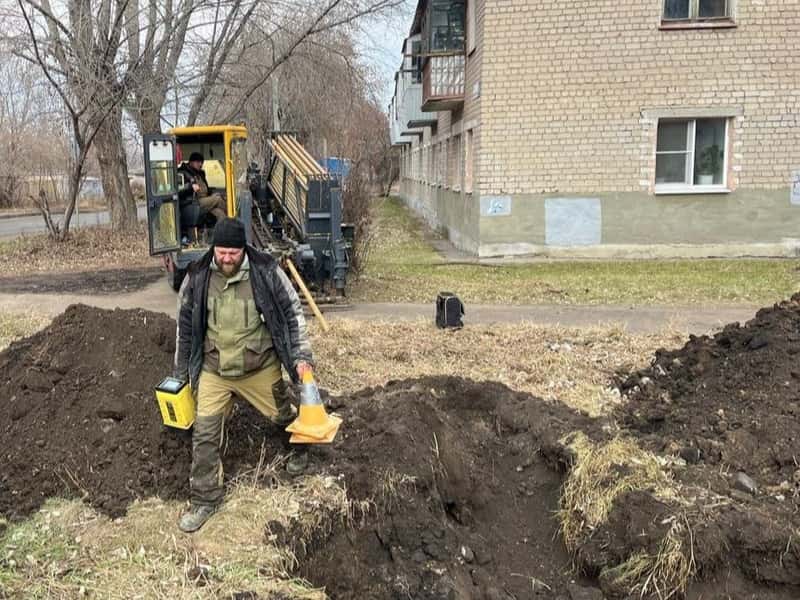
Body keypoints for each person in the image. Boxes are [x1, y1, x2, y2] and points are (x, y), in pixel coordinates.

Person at [174, 217, 312, 533]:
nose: (226, 259)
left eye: (232, 253)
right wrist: (180, 373)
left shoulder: (266, 272)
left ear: (243, 250)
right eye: (221, 252)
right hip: (215, 370)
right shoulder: (197, 275)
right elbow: (185, 326)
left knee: (283, 418)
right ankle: (205, 500)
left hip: (259, 367)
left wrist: (301, 357)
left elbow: (293, 314)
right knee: (205, 434)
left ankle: (301, 451)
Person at [178, 152, 228, 223]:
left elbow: (205, 188)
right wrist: (190, 187)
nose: (200, 164)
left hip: (205, 200)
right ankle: (232, 216)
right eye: (198, 162)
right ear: (191, 162)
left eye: (201, 162)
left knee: (221, 214)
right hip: (192, 202)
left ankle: (223, 228)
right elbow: (179, 190)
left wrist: (211, 195)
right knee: (218, 199)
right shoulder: (182, 173)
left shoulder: (200, 173)